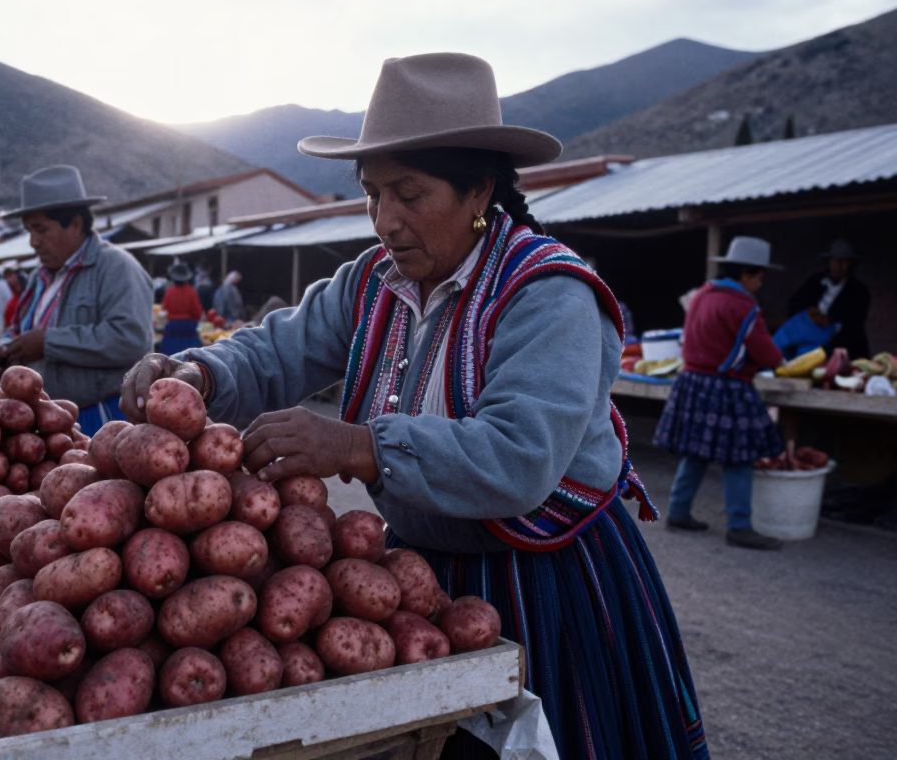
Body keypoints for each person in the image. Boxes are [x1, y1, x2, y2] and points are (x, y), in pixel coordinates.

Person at [122, 53, 707, 760]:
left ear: (478, 192)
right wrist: (198, 373)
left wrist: (358, 446)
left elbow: (518, 457)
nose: (385, 221)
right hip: (412, 577)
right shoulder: (372, 282)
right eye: (372, 194)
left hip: (544, 578)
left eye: (409, 193)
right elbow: (280, 349)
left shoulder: (549, 294)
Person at [0, 165, 153, 435]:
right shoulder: (41, 277)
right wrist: (2, 348)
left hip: (100, 418)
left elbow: (131, 340)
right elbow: (20, 330)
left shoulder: (117, 267)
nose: (33, 242)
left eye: (41, 230)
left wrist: (48, 342)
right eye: (29, 231)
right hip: (47, 422)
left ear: (75, 224)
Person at [655, 236, 786, 552]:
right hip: (725, 385)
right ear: (746, 274)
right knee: (739, 458)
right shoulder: (743, 306)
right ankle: (739, 526)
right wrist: (781, 361)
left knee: (695, 452)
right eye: (759, 276)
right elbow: (767, 354)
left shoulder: (702, 294)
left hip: (691, 381)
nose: (760, 282)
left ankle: (678, 512)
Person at [783, 238, 870, 358]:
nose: (839, 266)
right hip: (807, 343)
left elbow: (854, 324)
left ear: (851, 264)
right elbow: (793, 306)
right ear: (828, 262)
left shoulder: (859, 291)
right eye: (835, 261)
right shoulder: (814, 282)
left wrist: (829, 321)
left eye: (844, 262)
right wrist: (810, 314)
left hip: (843, 348)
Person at [160, 261, 204, 353]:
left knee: (171, 356)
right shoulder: (191, 292)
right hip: (188, 329)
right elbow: (197, 312)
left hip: (172, 328)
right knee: (189, 357)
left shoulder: (169, 292)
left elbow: (164, 310)